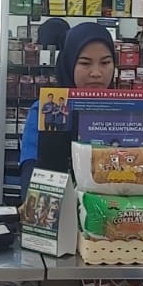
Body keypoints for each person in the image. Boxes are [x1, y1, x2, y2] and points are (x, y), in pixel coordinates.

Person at [18, 22, 117, 179]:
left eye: (105, 63)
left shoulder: (131, 111)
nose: (96, 73)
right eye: (85, 63)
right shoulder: (41, 110)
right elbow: (30, 172)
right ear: (68, 64)